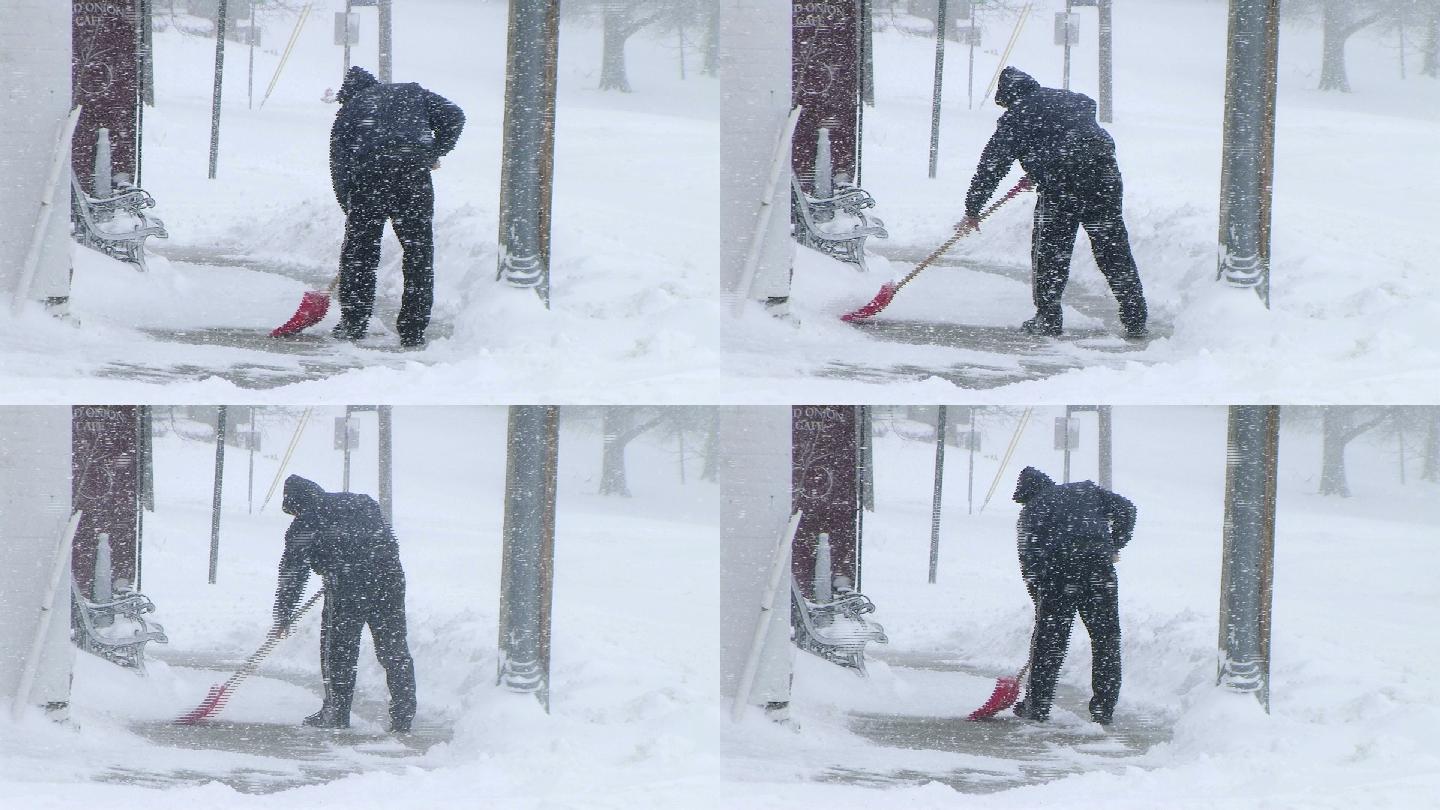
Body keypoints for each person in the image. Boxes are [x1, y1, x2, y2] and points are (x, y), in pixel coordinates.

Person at [960, 66, 1148, 339]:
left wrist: (973, 208)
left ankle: (1048, 318)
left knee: (1051, 253)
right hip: (1104, 178)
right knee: (1112, 249)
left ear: (1008, 97)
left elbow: (992, 164)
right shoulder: (1072, 101)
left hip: (1063, 187)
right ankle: (1135, 316)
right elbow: (1070, 138)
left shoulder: (1017, 115)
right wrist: (1041, 166)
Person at [329, 66, 465, 349]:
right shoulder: (412, 93)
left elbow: (339, 166)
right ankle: (413, 329)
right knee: (418, 251)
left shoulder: (351, 109)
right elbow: (455, 115)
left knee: (360, 253)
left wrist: (350, 207)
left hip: (370, 179)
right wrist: (431, 152)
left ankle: (354, 323)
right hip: (413, 175)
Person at [272, 474, 416, 733]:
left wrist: (283, 614)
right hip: (390, 579)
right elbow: (383, 539)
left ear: (296, 504)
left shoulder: (306, 520)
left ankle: (336, 712)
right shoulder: (361, 502)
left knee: (339, 650)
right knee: (393, 648)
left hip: (348, 586)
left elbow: (293, 571)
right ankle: (404, 714)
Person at [1010, 465, 1136, 725]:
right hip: (1099, 570)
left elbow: (1030, 563)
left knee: (1049, 642)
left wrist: (1041, 604)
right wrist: (1113, 544)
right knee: (1106, 639)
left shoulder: (1032, 511)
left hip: (1059, 573)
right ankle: (1104, 709)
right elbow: (1127, 510)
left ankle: (1038, 707)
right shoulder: (1086, 490)